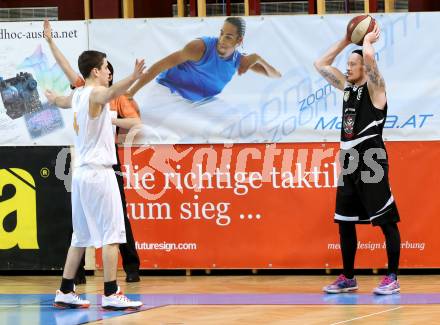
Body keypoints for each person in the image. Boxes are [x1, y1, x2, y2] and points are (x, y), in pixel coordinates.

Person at [44, 20, 142, 283]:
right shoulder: (97, 94)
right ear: (96, 71)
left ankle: (65, 290)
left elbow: (64, 95)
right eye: (106, 66)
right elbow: (109, 93)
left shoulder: (75, 95)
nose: (109, 70)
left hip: (82, 175)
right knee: (112, 235)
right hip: (99, 173)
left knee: (79, 237)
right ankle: (111, 293)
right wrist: (132, 78)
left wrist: (51, 43)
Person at [314, 23, 401, 295]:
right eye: (348, 63)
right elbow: (320, 64)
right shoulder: (348, 89)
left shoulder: (376, 90)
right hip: (349, 158)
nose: (348, 67)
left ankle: (392, 277)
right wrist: (345, 39)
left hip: (371, 158)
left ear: (364, 68)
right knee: (345, 221)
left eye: (353, 64)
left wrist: (368, 42)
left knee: (386, 220)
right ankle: (348, 277)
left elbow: (371, 60)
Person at [127, 16, 281, 143]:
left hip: (201, 101)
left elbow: (275, 75)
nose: (222, 40)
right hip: (167, 94)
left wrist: (259, 58)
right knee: (138, 133)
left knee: (244, 125)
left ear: (239, 41)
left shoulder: (238, 59)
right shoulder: (200, 47)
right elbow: (159, 66)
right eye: (221, 33)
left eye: (228, 37)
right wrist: (131, 92)